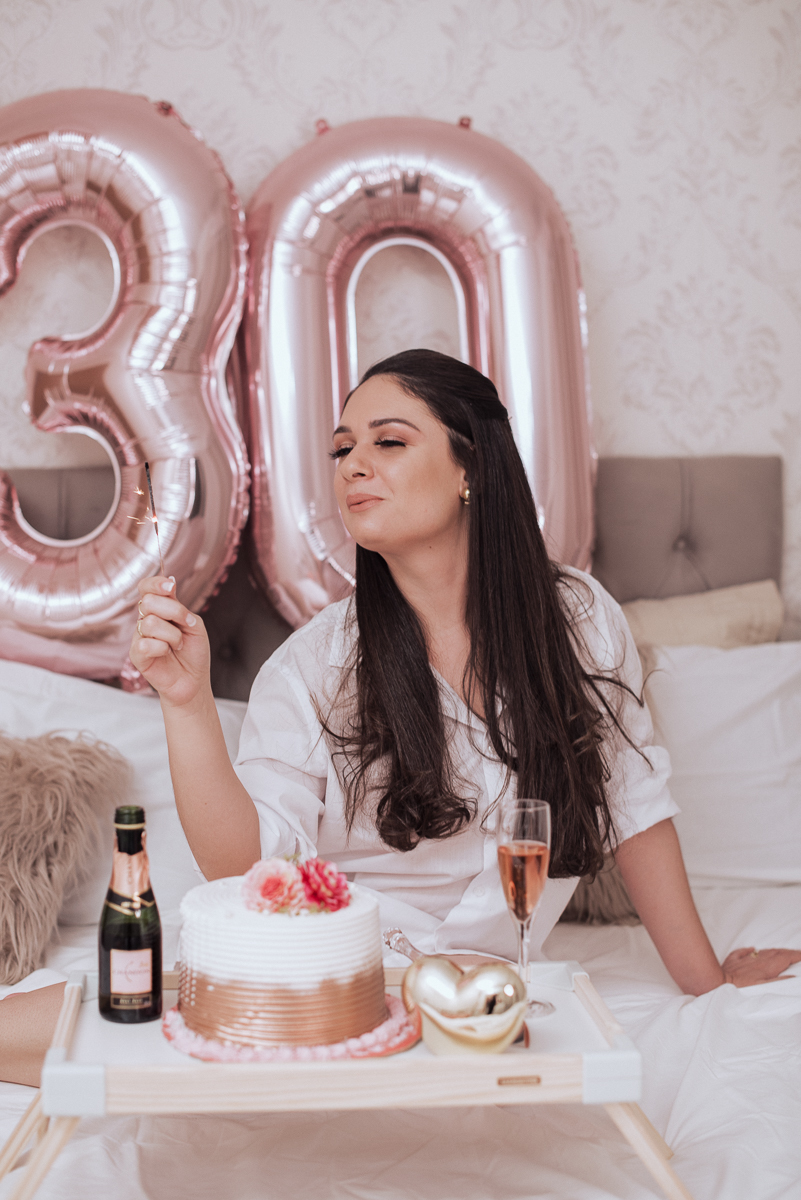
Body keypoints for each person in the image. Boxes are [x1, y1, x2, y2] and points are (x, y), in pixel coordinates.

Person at [1, 350, 797, 1088]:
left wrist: (705, 980)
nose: (354, 467)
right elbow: (243, 863)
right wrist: (187, 703)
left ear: (468, 468)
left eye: (387, 442)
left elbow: (631, 803)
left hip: (475, 985)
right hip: (326, 965)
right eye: (343, 449)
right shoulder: (317, 663)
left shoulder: (578, 618)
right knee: (122, 1013)